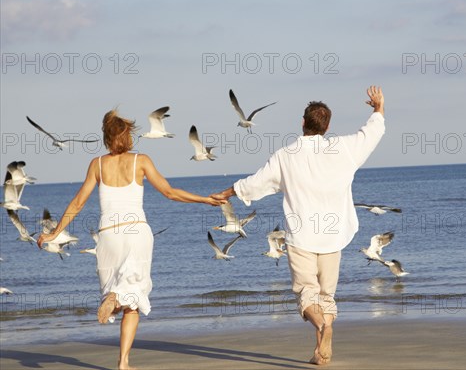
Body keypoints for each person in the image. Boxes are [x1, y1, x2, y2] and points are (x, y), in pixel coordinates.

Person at [37, 109, 225, 370]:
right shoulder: (142, 161)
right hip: (136, 232)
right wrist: (205, 199)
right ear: (128, 136)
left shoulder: (97, 164)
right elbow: (170, 193)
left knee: (122, 293)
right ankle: (123, 359)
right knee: (133, 300)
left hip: (108, 237)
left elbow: (78, 202)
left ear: (106, 137)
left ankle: (119, 336)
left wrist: (55, 233)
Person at [211, 86, 385, 365]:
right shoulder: (344, 149)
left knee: (307, 294)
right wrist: (378, 108)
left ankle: (322, 328)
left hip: (302, 237)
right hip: (333, 235)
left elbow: (256, 183)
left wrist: (227, 193)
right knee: (326, 296)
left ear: (303, 123)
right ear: (327, 126)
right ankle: (321, 353)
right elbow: (371, 134)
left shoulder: (287, 155)